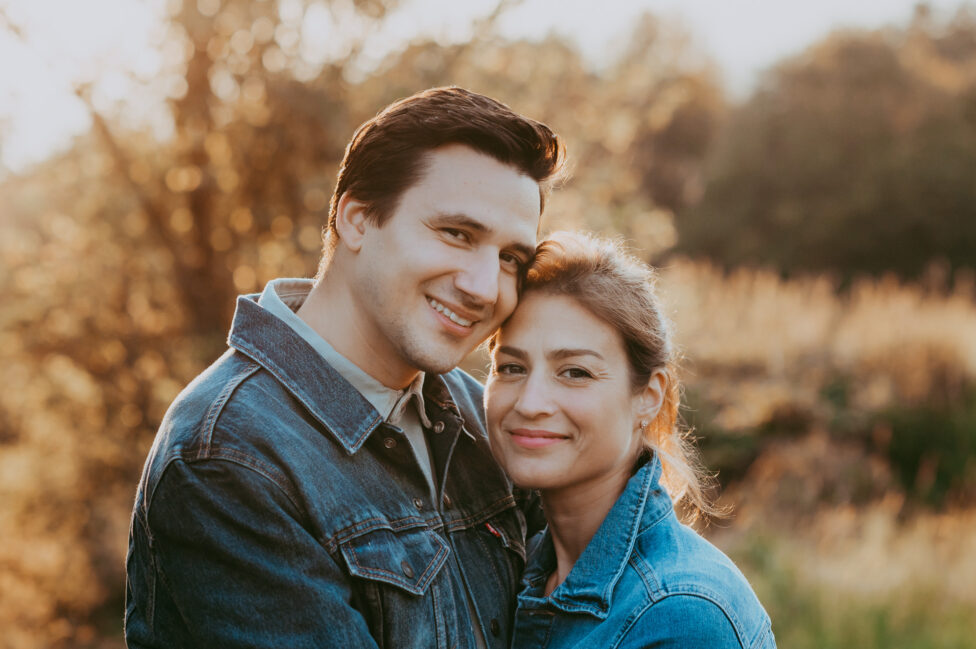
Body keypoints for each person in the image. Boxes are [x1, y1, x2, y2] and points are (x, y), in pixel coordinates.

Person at [124, 87, 565, 649]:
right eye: (457, 234)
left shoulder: (478, 411)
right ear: (357, 219)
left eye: (510, 259)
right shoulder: (228, 458)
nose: (484, 288)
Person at [485, 231, 776, 649]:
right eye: (511, 367)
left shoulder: (680, 616)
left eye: (575, 372)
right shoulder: (520, 565)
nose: (530, 403)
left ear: (648, 397)